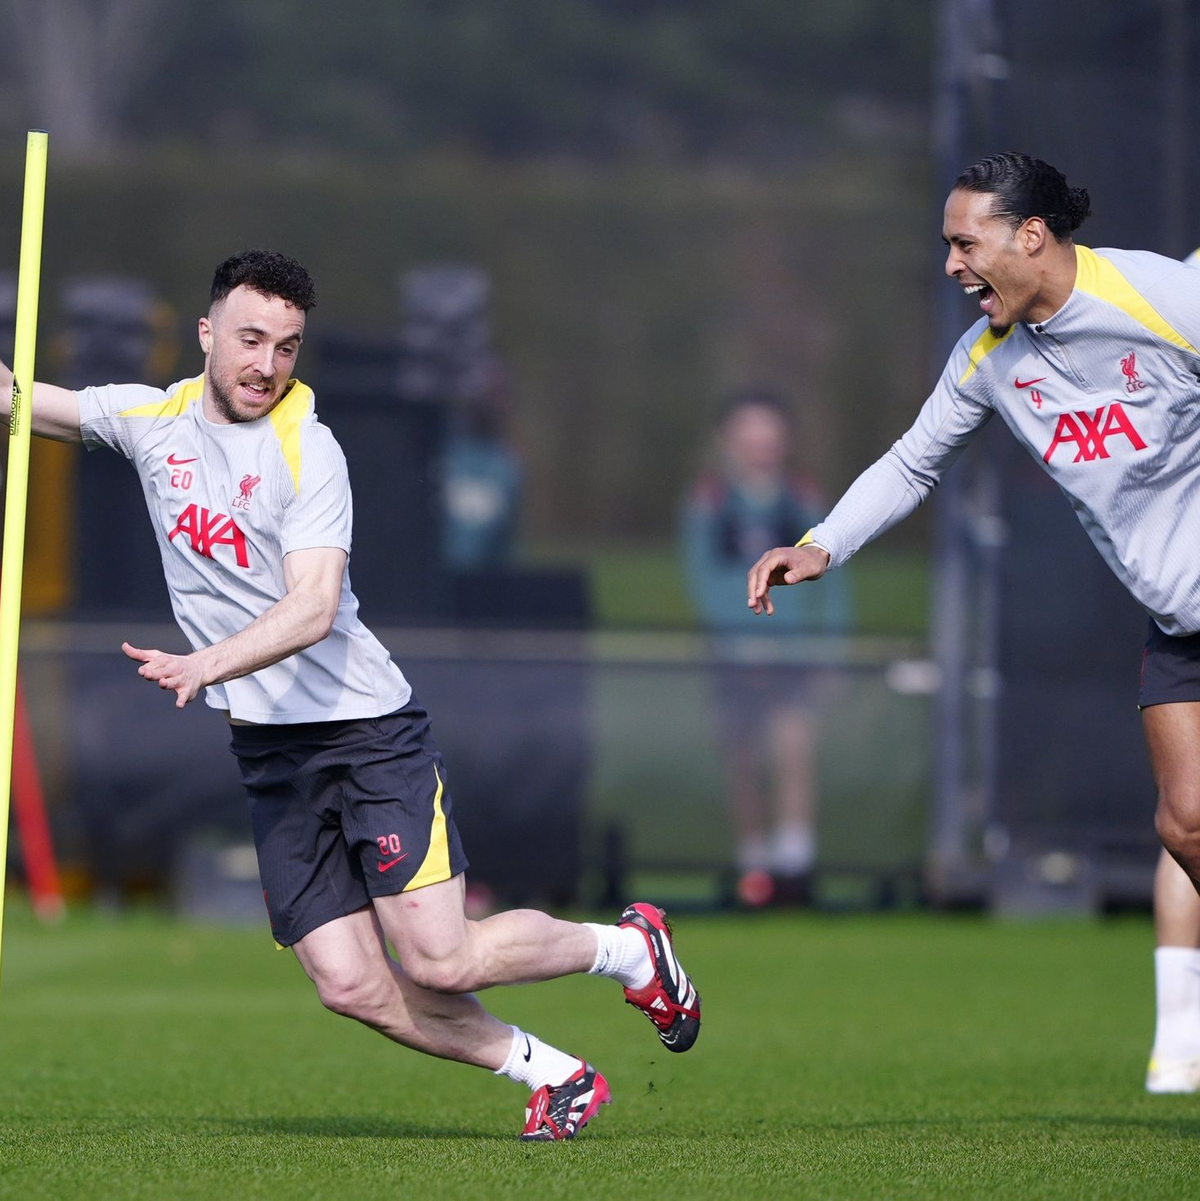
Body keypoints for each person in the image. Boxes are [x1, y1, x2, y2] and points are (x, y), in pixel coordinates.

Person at [0, 249, 700, 1139]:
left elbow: (314, 606)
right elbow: (27, 403)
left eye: (287, 346)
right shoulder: (152, 419)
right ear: (207, 334)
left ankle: (630, 948)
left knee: (441, 957)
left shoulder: (308, 450)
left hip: (363, 732)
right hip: (270, 751)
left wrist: (208, 663)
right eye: (251, 339)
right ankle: (555, 1074)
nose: (267, 364)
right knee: (349, 982)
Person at [745, 152, 1200, 1094]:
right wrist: (822, 544)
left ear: (1031, 236)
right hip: (1178, 617)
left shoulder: (1157, 296)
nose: (952, 264)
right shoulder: (988, 360)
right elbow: (913, 461)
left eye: (965, 242)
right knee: (1185, 820)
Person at [682, 389, 850, 902]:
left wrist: (829, 651)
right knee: (742, 756)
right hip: (733, 661)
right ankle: (753, 869)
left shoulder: (803, 500)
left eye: (768, 434)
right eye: (748, 434)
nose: (759, 445)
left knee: (794, 746)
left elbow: (833, 585)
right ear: (727, 440)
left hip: (793, 656)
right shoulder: (710, 502)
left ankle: (795, 865)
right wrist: (741, 640)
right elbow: (704, 582)